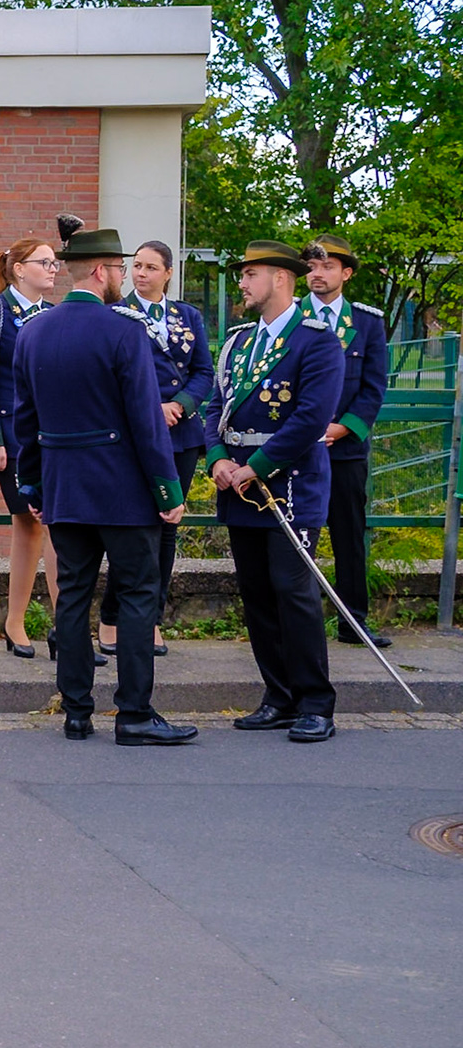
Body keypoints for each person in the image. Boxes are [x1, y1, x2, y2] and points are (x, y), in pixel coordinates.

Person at [14, 222, 196, 746]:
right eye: (119, 268)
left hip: (65, 488)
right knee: (138, 596)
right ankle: (134, 713)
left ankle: (76, 711)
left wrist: (34, 487)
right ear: (101, 271)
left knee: (71, 597)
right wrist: (168, 490)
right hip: (122, 492)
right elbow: (144, 419)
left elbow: (25, 420)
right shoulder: (124, 331)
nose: (124, 276)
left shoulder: (34, 331)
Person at [205, 240, 345, 743]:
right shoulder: (239, 342)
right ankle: (278, 697)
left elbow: (310, 419)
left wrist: (256, 466)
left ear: (280, 279)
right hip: (239, 487)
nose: (241, 284)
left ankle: (315, 702)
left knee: (294, 591)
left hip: (289, 487)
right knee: (257, 593)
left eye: (250, 275)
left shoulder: (317, 342)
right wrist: (217, 458)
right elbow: (212, 407)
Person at [98, 238, 214, 656]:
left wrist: (180, 406)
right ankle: (112, 616)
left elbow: (203, 371)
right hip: (135, 435)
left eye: (150, 267)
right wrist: (153, 407)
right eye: (136, 267)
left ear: (168, 272)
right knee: (134, 528)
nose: (141, 273)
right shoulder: (114, 314)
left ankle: (151, 619)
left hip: (180, 435)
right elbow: (111, 376)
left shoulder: (188, 315)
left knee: (167, 528)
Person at [0, 236, 62, 658]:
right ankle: (15, 622)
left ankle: (66, 627)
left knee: (60, 527)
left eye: (56, 262)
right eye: (45, 262)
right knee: (30, 523)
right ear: (19, 269)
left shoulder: (56, 315)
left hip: (53, 439)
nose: (54, 269)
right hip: (12, 440)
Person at [304, 234, 392, 648]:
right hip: (297, 450)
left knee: (349, 537)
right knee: (297, 540)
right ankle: (294, 625)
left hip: (345, 449)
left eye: (327, 267)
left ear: (346, 273)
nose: (317, 275)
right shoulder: (291, 316)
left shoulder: (367, 322)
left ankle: (353, 623)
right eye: (311, 267)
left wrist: (344, 428)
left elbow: (374, 387)